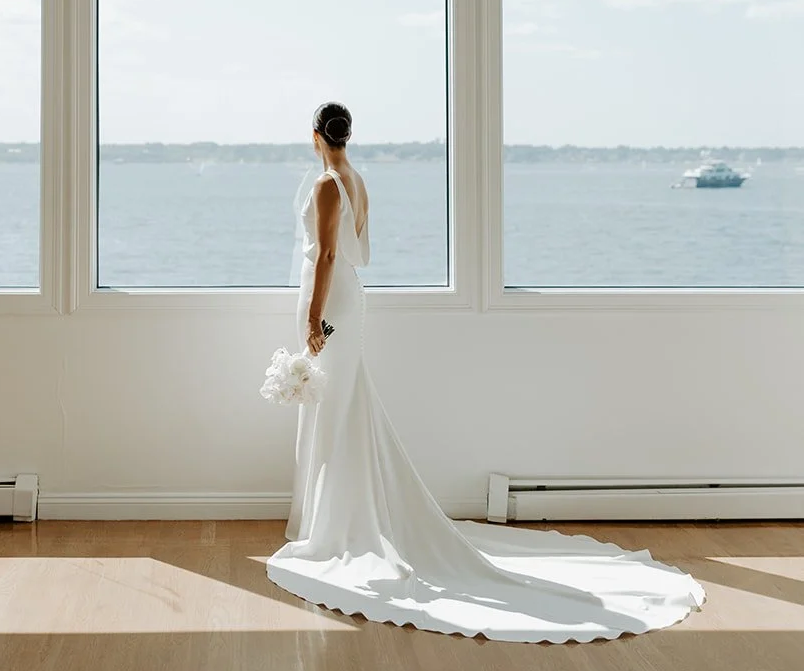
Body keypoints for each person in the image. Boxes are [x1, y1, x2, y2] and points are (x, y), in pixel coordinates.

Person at [266, 101, 705, 641]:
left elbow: (329, 255)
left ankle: (336, 526)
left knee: (335, 405)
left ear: (315, 136)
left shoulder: (328, 184)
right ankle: (332, 516)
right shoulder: (357, 178)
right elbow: (358, 252)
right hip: (350, 298)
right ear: (346, 135)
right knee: (339, 402)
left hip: (332, 300)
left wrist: (312, 316)